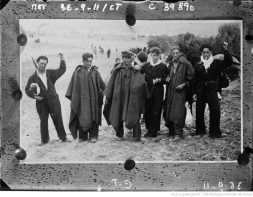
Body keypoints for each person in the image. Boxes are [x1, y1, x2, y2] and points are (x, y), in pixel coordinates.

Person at [103, 50, 149, 141]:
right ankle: (119, 135)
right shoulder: (117, 69)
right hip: (119, 96)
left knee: (134, 114)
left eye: (128, 58)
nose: (126, 60)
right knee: (118, 113)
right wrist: (108, 95)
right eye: (124, 58)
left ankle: (137, 136)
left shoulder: (135, 69)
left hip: (132, 97)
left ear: (131, 58)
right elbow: (111, 83)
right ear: (122, 58)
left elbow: (141, 82)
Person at [25, 54, 69, 145]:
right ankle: (44, 140)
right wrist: (35, 96)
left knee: (58, 118)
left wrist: (62, 59)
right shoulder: (32, 77)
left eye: (45, 64)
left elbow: (62, 70)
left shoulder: (51, 73)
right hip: (41, 102)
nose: (43, 65)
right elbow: (27, 90)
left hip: (53, 100)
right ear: (37, 63)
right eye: (41, 63)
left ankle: (63, 137)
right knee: (43, 120)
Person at [192, 42, 233, 138]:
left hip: (212, 89)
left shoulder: (217, 63)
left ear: (211, 53)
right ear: (202, 53)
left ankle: (214, 132)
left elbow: (229, 62)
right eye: (204, 52)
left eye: (207, 52)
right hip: (200, 89)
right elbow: (195, 79)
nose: (205, 54)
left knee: (215, 110)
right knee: (199, 110)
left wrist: (225, 50)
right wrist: (194, 92)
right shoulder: (198, 64)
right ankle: (200, 131)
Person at [65, 53, 106, 143]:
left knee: (94, 115)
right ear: (83, 61)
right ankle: (82, 136)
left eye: (91, 61)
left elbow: (102, 85)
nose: (89, 63)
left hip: (94, 99)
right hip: (82, 100)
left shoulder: (95, 71)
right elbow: (73, 87)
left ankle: (93, 136)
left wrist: (107, 92)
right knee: (82, 115)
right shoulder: (77, 72)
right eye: (87, 61)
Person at [163, 46, 194, 139]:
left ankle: (178, 133)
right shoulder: (171, 64)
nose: (175, 55)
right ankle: (171, 131)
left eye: (177, 53)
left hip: (181, 92)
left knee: (178, 111)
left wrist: (183, 85)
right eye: (174, 53)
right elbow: (168, 74)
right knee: (169, 110)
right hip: (170, 91)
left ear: (180, 53)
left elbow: (191, 78)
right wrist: (168, 78)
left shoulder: (186, 64)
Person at [140, 47, 168, 138]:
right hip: (148, 91)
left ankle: (154, 131)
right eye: (153, 55)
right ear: (150, 55)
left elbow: (167, 79)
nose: (154, 57)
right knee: (148, 110)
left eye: (156, 55)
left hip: (158, 91)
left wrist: (160, 80)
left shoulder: (163, 66)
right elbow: (139, 72)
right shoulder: (147, 65)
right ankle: (149, 130)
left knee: (156, 110)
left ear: (159, 56)